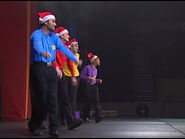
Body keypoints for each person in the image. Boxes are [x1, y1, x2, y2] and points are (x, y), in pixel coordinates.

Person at [28, 12, 79, 137]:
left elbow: (63, 48)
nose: (55, 24)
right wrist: (42, 52)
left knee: (53, 99)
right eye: (53, 22)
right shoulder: (37, 34)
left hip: (51, 70)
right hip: (39, 68)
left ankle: (54, 128)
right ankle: (34, 124)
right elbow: (36, 45)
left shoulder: (54, 37)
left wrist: (74, 58)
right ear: (45, 23)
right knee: (42, 100)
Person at [53, 27, 82, 130]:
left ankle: (71, 122)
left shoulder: (65, 48)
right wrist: (56, 67)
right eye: (67, 34)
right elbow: (51, 58)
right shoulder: (55, 45)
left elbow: (70, 62)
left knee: (65, 98)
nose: (68, 36)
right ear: (61, 36)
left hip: (61, 75)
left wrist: (74, 76)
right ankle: (54, 123)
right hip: (53, 72)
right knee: (53, 99)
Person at [80, 52, 103, 123]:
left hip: (94, 86)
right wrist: (89, 78)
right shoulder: (87, 68)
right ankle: (85, 116)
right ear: (94, 61)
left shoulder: (96, 70)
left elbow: (94, 80)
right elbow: (81, 76)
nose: (99, 61)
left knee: (96, 101)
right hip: (88, 86)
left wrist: (98, 81)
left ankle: (98, 117)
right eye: (98, 60)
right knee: (88, 102)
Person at [63, 38, 82, 119]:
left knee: (73, 98)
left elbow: (76, 64)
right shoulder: (66, 53)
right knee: (64, 97)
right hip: (66, 76)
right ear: (70, 47)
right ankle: (63, 117)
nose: (77, 47)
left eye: (78, 46)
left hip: (75, 77)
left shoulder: (77, 55)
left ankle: (72, 118)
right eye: (75, 46)